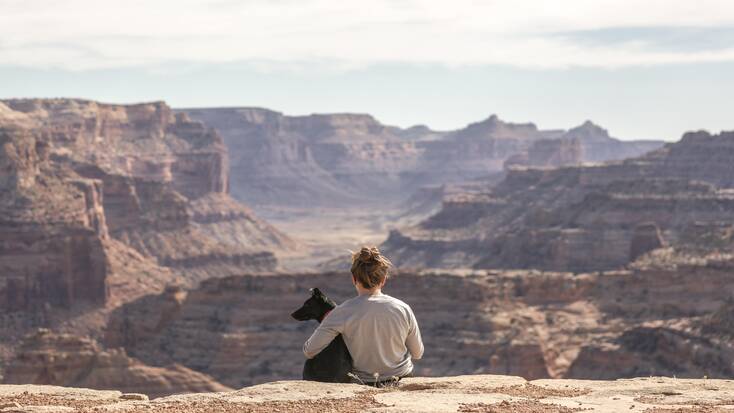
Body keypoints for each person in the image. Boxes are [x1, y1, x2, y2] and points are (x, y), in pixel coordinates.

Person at [303, 246, 424, 386]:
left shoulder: (342, 312)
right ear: (383, 279)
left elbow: (309, 351)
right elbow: (417, 353)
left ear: (354, 279)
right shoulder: (403, 308)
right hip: (402, 379)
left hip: (364, 383)